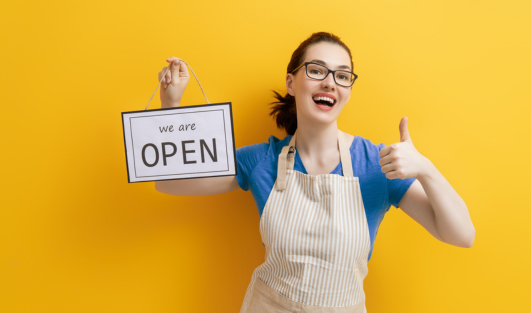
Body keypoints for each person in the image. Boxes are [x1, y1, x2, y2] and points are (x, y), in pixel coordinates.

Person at [155, 32, 475, 313]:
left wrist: (426, 170)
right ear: (291, 83)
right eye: (317, 70)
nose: (330, 82)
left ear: (348, 90)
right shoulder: (261, 160)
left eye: (342, 75)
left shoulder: (376, 163)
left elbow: (462, 235)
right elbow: (172, 184)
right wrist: (171, 104)